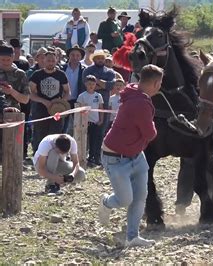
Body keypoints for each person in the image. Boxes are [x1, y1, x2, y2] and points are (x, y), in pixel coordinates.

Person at [98, 64, 163, 248]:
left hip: (135, 155)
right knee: (125, 199)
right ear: (156, 83)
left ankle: (132, 237)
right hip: (115, 158)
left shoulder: (135, 92)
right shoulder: (141, 103)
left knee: (140, 196)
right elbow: (151, 134)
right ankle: (106, 202)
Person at [29, 51, 71, 153]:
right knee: (39, 134)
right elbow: (30, 93)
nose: (50, 62)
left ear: (56, 60)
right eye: (48, 60)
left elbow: (68, 92)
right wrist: (43, 101)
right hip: (40, 109)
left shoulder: (61, 74)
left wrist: (59, 103)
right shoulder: (37, 75)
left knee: (55, 134)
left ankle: (53, 156)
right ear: (44, 60)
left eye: (53, 60)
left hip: (56, 111)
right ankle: (38, 156)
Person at [0, 44, 30, 158]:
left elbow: (26, 99)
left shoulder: (20, 74)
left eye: (8, 59)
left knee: (11, 150)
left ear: (13, 57)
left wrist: (12, 92)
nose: (5, 62)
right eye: (2, 59)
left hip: (13, 116)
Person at [77, 75, 104, 166]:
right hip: (85, 122)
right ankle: (82, 157)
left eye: (93, 84)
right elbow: (78, 109)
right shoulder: (82, 96)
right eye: (89, 84)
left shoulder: (98, 96)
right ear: (85, 84)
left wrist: (101, 120)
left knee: (94, 140)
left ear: (96, 85)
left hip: (95, 122)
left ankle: (92, 158)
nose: (91, 86)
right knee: (84, 140)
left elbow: (101, 108)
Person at [61, 45, 86, 134]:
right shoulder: (62, 68)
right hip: (64, 100)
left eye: (77, 55)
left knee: (78, 127)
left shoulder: (84, 70)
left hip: (78, 100)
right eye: (72, 55)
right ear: (69, 56)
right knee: (63, 125)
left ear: (81, 57)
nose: (75, 57)